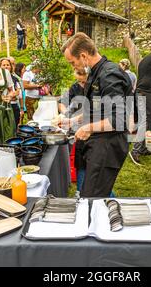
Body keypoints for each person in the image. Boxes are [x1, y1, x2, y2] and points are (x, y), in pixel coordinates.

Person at [60, 32, 132, 197]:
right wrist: (72, 121)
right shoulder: (95, 72)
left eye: (73, 63)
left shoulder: (109, 74)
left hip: (108, 146)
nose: (73, 68)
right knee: (89, 194)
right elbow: (95, 109)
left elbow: (119, 119)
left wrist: (88, 129)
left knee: (93, 198)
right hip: (97, 143)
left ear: (84, 56)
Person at [58, 70, 87, 197]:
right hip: (79, 130)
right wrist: (66, 114)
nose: (81, 84)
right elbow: (61, 103)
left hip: (94, 129)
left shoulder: (96, 87)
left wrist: (71, 120)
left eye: (83, 80)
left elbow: (91, 112)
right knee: (80, 161)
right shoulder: (74, 87)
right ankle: (80, 191)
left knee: (93, 166)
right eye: (78, 80)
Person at [0, 57, 24, 127]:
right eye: (3, 65)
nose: (6, 66)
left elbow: (20, 95)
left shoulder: (15, 78)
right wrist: (12, 95)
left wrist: (22, 109)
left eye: (8, 65)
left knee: (14, 127)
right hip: (2, 106)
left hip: (14, 106)